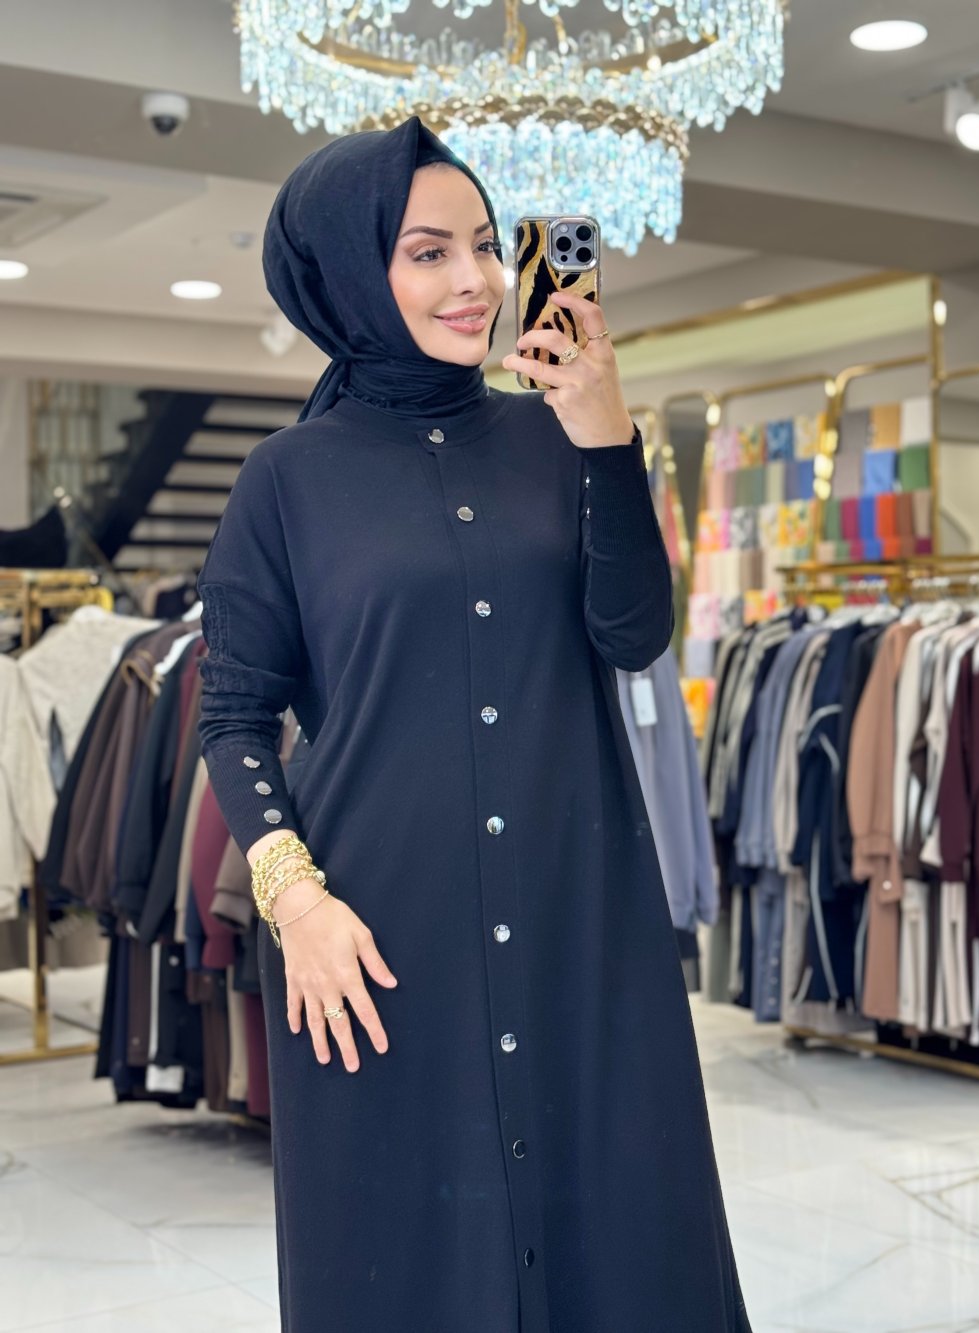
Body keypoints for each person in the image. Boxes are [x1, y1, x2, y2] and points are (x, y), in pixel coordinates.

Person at [197, 115, 752, 1333]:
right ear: (351, 272)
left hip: (577, 919)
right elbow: (232, 714)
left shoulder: (560, 439)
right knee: (405, 1263)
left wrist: (606, 434)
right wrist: (295, 901)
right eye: (429, 252)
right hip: (378, 938)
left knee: (623, 1238)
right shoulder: (287, 480)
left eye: (488, 246)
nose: (479, 281)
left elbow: (633, 634)